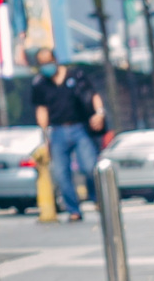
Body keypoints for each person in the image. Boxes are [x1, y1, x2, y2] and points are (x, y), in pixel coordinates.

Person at [32, 47, 106, 222]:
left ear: (55, 60)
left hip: (79, 127)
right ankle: (74, 210)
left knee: (89, 166)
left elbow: (93, 95)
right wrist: (44, 135)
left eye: (48, 62)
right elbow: (41, 109)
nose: (46, 67)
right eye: (42, 64)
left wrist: (100, 113)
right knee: (61, 173)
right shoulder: (40, 84)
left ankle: (97, 198)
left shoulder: (75, 76)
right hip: (57, 130)